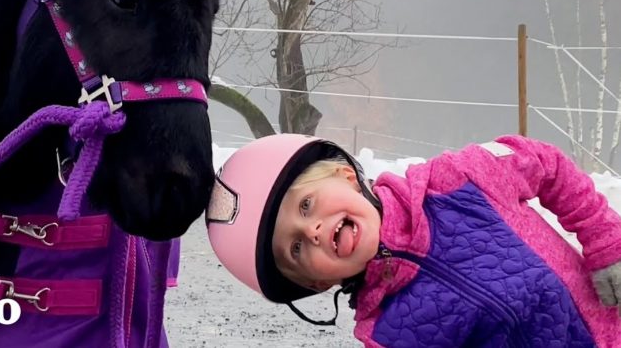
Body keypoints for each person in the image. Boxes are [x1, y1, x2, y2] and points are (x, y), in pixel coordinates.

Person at [206, 133, 621, 346]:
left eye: (306, 205)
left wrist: (604, 239)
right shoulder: (389, 335)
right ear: (315, 284)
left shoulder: (458, 179)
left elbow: (546, 163)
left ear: (346, 176)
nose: (311, 230)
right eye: (296, 249)